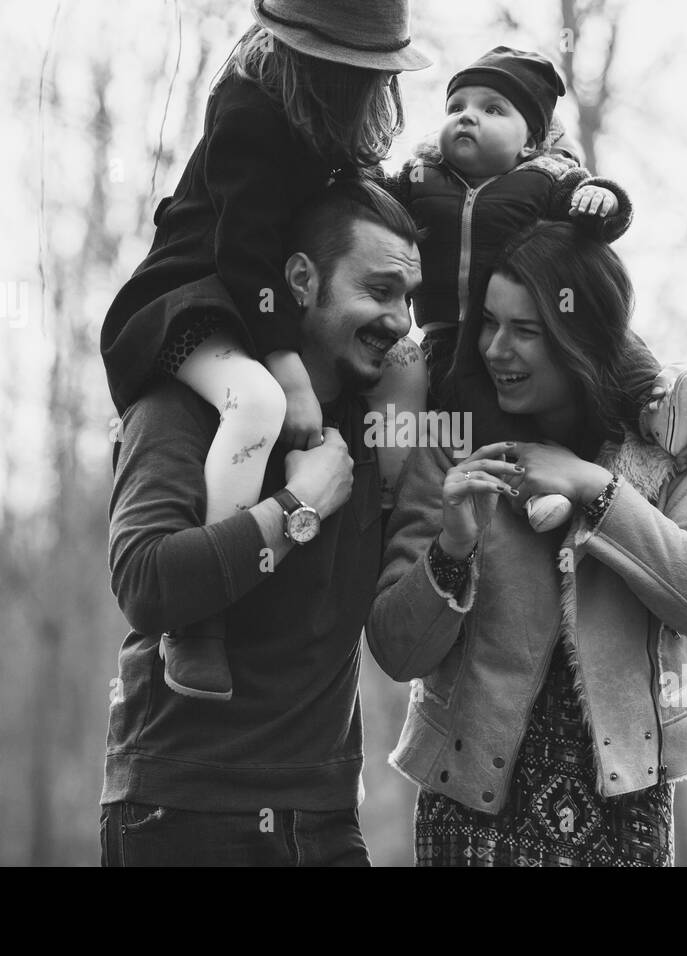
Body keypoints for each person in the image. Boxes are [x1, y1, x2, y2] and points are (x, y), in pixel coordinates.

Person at [366, 221, 687, 866]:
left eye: (526, 331)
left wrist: (598, 490)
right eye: (488, 322)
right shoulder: (452, 436)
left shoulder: (671, 436)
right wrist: (452, 550)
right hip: (470, 811)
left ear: (583, 338)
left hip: (625, 806)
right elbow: (397, 650)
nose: (494, 349)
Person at [99, 0, 431, 702]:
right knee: (255, 402)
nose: (368, 88)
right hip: (184, 306)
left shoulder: (328, 126)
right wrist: (289, 373)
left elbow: (356, 212)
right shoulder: (249, 111)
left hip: (247, 304)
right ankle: (199, 627)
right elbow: (249, 259)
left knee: (273, 395)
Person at [100, 179, 421, 866]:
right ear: (301, 280)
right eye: (380, 290)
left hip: (327, 818)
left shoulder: (380, 426)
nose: (402, 321)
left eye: (410, 298)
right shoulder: (187, 406)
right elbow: (146, 581)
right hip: (186, 816)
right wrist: (296, 509)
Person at [384, 46, 687, 533]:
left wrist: (602, 199)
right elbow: (377, 204)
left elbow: (598, 220)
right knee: (475, 406)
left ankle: (660, 406)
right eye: (456, 107)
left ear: (530, 142)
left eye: (492, 109)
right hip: (448, 334)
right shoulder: (421, 180)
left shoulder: (542, 181)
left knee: (616, 351)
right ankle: (535, 489)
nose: (468, 118)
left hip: (546, 319)